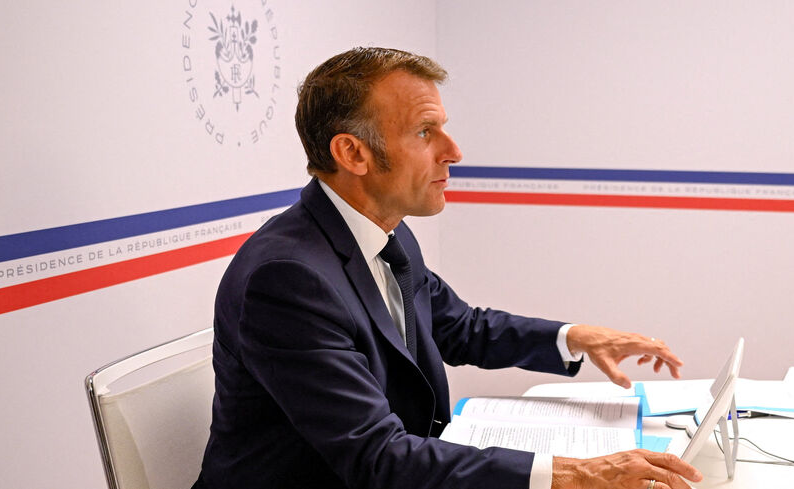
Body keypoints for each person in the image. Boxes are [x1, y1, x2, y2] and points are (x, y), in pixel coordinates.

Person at [193, 47, 703, 489]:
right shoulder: (288, 280)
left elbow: (458, 326)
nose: (452, 152)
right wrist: (577, 473)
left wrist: (576, 337)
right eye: (424, 132)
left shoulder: (383, 231)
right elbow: (378, 459)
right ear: (353, 152)